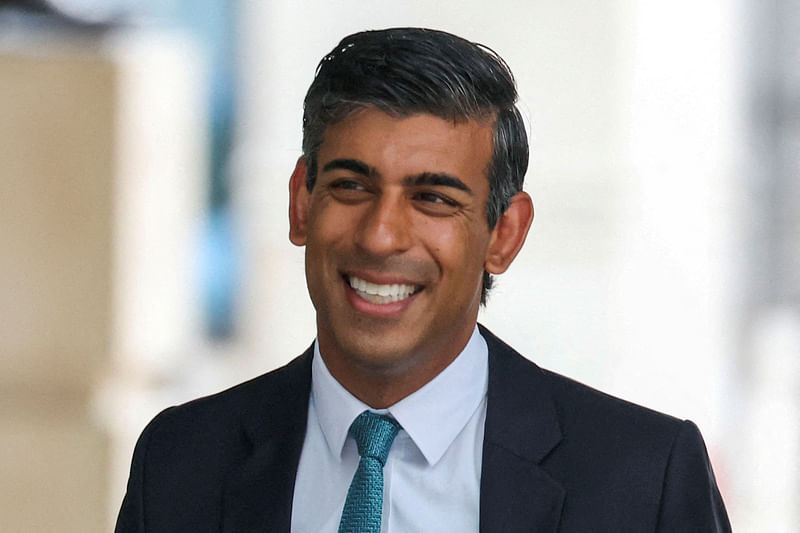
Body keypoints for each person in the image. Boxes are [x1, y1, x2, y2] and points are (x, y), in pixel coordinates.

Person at [115, 28, 731, 532]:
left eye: (433, 198)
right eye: (351, 187)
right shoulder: (180, 462)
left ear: (504, 234)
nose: (381, 236)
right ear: (302, 202)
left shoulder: (643, 480)